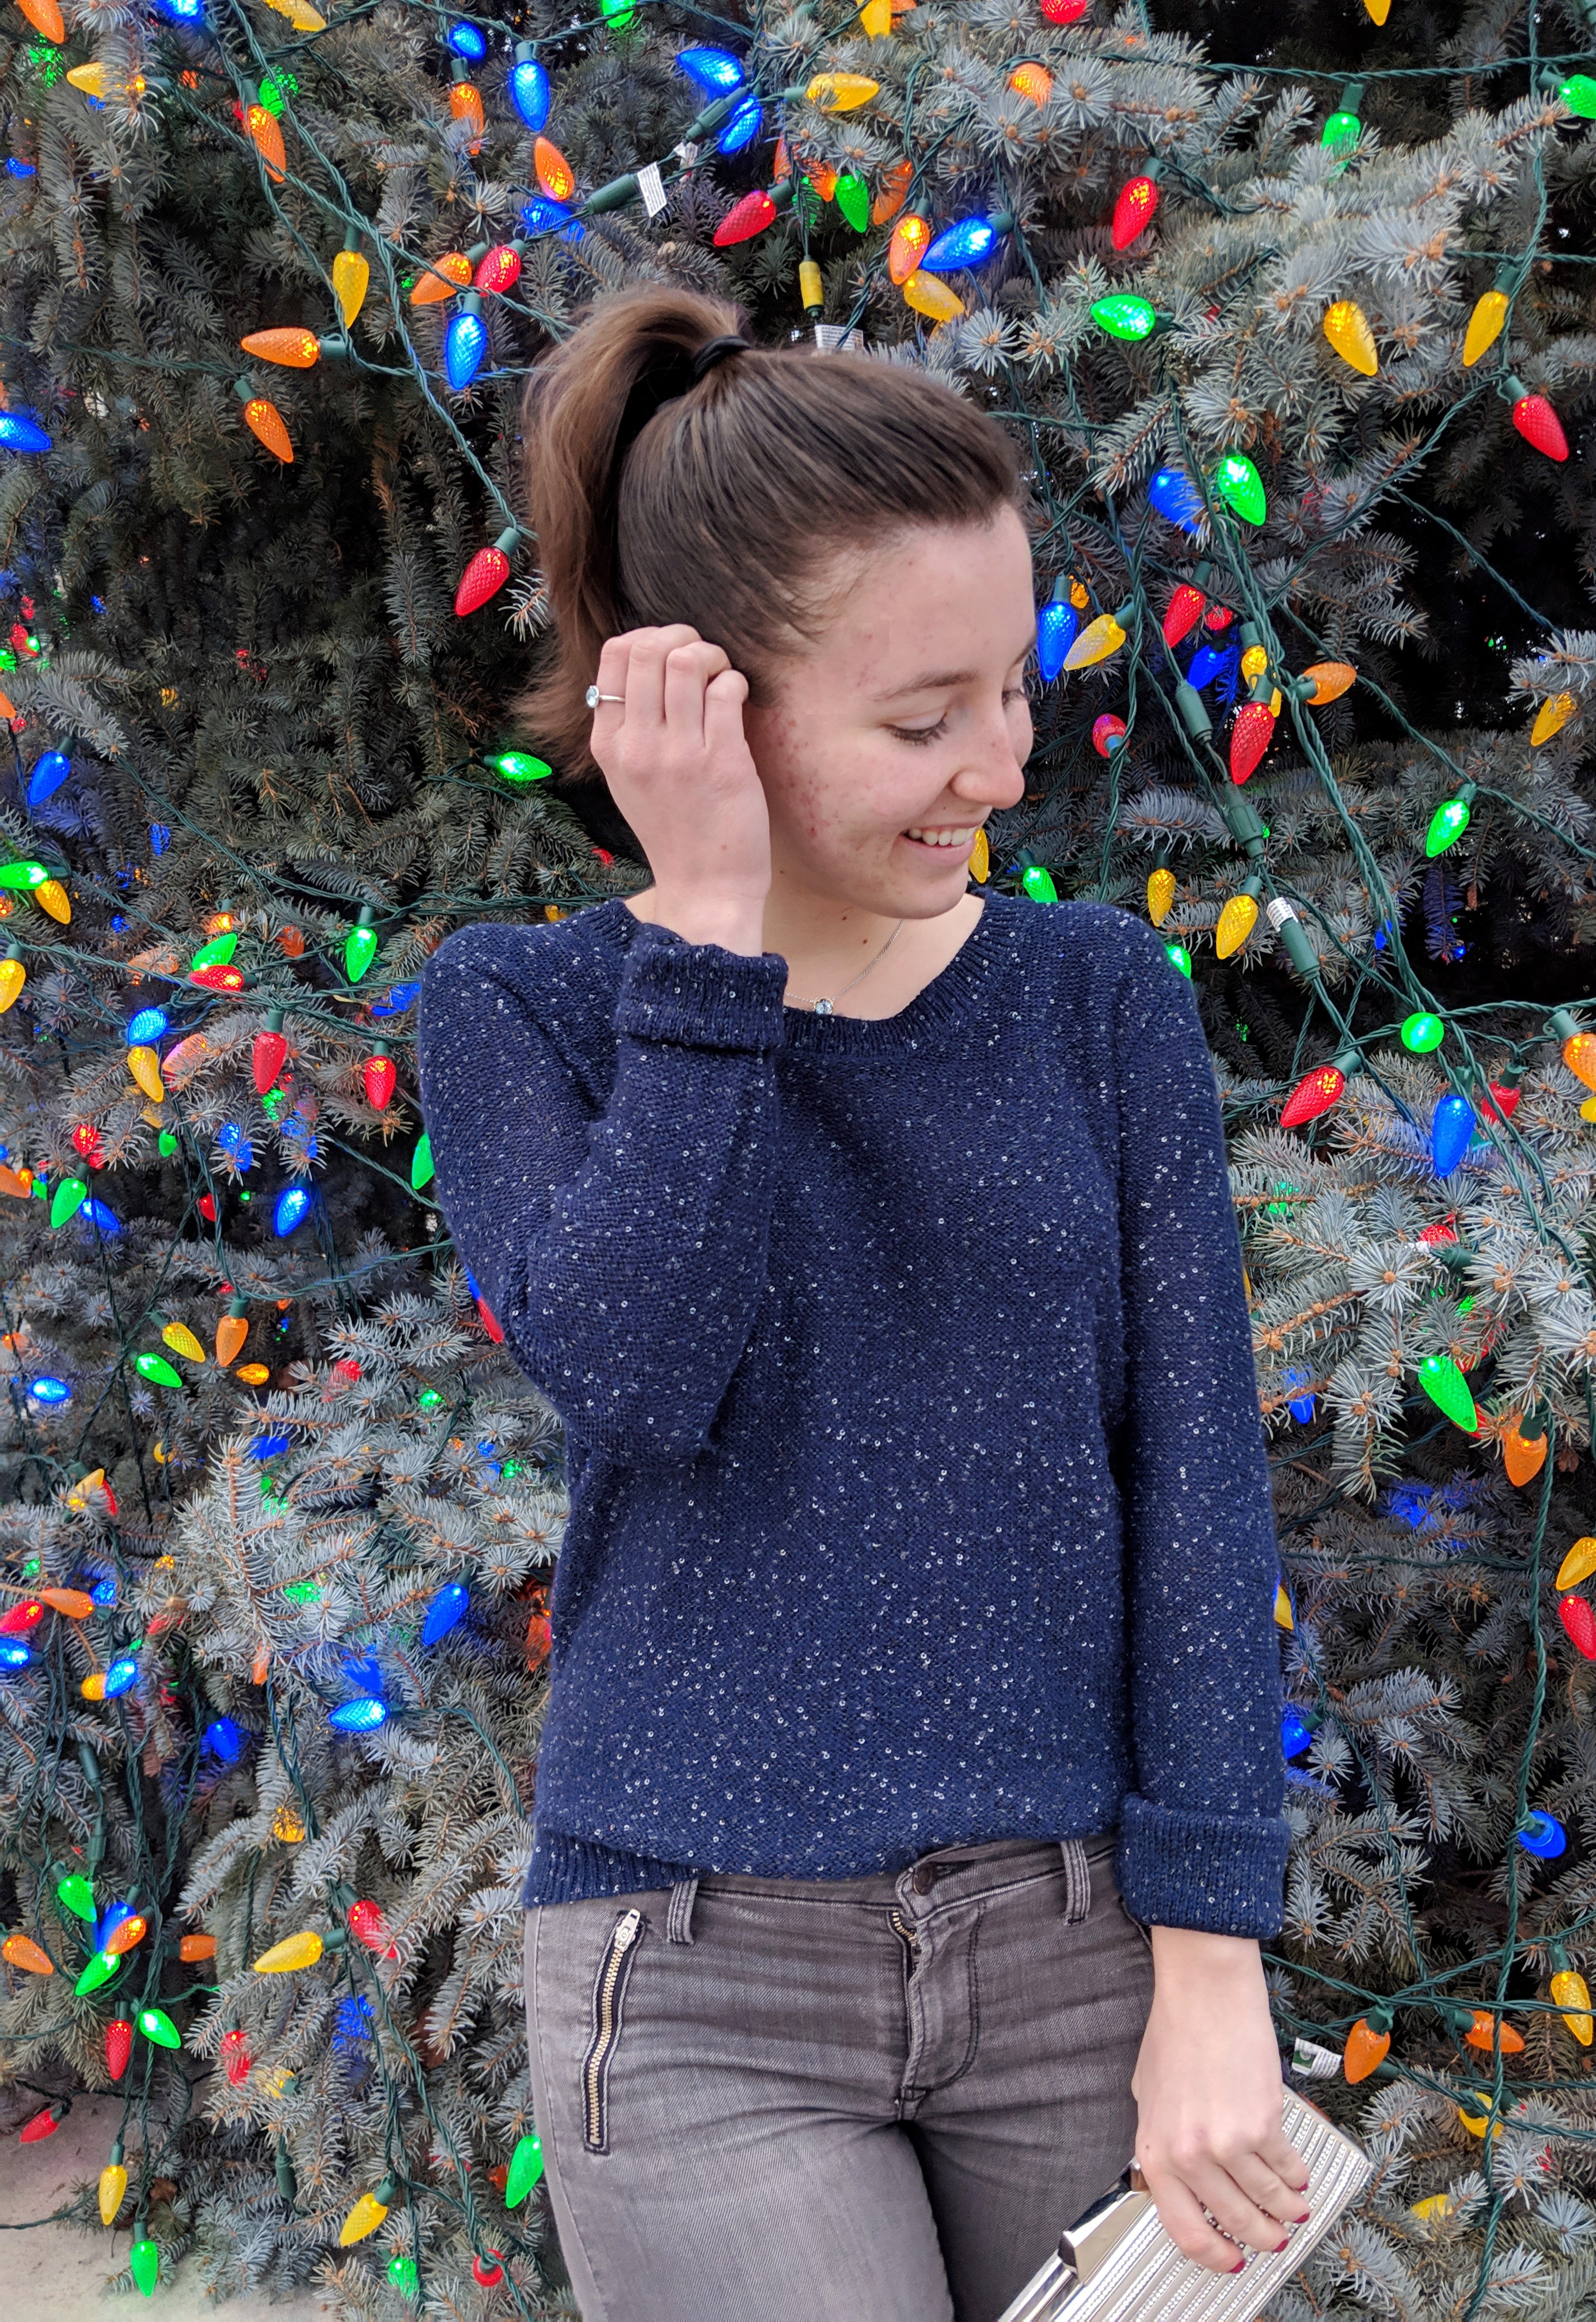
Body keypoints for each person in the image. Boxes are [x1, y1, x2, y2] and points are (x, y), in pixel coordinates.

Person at [417, 286, 1308, 2322]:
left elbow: (1193, 1489)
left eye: (1013, 688)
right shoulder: (524, 1015)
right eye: (923, 719)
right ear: (705, 705)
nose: (999, 765)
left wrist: (1211, 1967)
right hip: (698, 1976)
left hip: (1089, 1962)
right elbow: (643, 1373)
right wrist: (713, 937)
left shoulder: (1096, 1001)